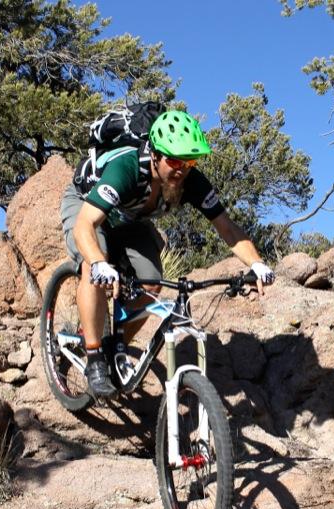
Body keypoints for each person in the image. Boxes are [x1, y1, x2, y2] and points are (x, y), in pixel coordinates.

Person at [60, 109, 275, 397]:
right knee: (93, 267)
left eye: (190, 161)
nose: (182, 168)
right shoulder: (126, 169)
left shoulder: (189, 181)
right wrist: (99, 261)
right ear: (155, 154)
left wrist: (257, 263)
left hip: (129, 220)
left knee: (151, 284)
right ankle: (95, 356)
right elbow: (85, 224)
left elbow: (228, 228)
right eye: (174, 160)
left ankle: (116, 342)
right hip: (87, 206)